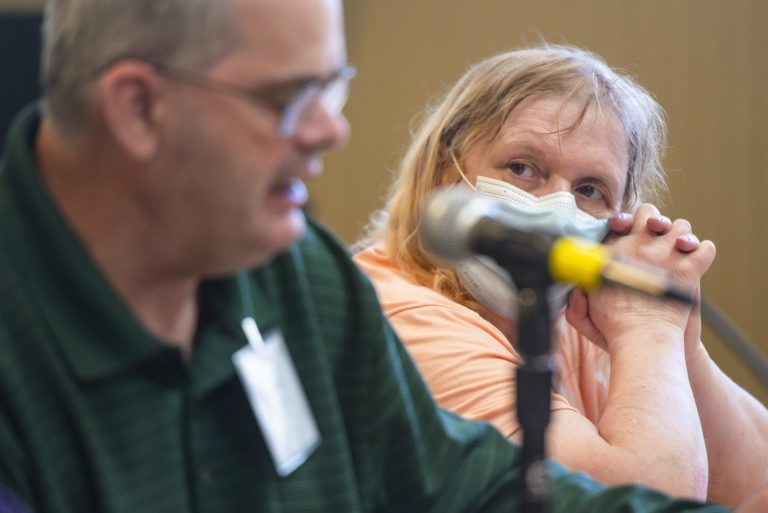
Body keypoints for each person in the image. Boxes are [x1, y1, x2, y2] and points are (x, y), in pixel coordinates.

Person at [0, 0, 765, 511]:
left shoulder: (302, 280)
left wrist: (672, 332)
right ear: (138, 109)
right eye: (291, 98)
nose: (333, 132)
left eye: (334, 91)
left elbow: (468, 484)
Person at [354, 45, 768, 506]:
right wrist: (649, 329)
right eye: (523, 168)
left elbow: (757, 485)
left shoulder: (574, 313)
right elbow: (641, 503)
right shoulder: (403, 318)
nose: (557, 207)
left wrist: (679, 341)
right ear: (443, 174)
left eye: (590, 190)